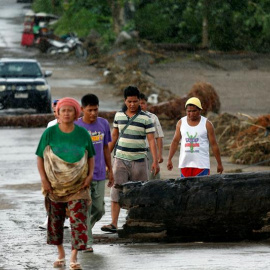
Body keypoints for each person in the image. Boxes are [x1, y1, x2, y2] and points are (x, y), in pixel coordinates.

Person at [35, 97, 95, 269]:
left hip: (79, 186)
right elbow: (40, 157)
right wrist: (44, 180)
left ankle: (74, 257)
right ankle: (61, 253)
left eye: (70, 110)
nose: (67, 113)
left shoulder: (83, 133)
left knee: (78, 220)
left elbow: (90, 156)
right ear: (58, 114)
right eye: (63, 110)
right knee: (55, 221)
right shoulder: (49, 133)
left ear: (76, 113)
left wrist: (90, 175)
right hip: (54, 186)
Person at [101, 86, 160, 233]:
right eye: (129, 101)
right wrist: (105, 158)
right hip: (120, 159)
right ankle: (114, 223)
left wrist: (155, 160)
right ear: (125, 101)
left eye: (135, 101)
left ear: (140, 101)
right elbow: (114, 137)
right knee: (116, 191)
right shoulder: (118, 116)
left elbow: (151, 140)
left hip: (140, 160)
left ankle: (137, 223)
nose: (132, 104)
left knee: (140, 192)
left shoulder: (146, 118)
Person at [74, 94, 114, 252]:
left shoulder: (103, 123)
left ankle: (81, 230)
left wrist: (110, 170)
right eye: (90, 110)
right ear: (82, 109)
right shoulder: (76, 127)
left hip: (99, 173)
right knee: (87, 208)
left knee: (99, 209)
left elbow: (106, 148)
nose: (93, 113)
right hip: (82, 176)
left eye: (96, 110)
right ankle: (87, 242)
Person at [167, 97, 223, 177]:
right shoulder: (181, 123)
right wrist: (169, 159)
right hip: (185, 164)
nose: (191, 114)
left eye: (194, 111)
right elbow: (175, 142)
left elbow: (214, 145)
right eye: (189, 111)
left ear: (200, 110)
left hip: (202, 165)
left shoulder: (207, 124)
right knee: (186, 189)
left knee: (201, 189)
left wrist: (219, 164)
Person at [39, 99, 71, 230]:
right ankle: (50, 217)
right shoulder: (51, 125)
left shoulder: (73, 125)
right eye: (54, 111)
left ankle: (63, 217)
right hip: (52, 164)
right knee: (50, 192)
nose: (56, 114)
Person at [139, 93, 164, 179]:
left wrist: (159, 155)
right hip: (136, 151)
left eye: (143, 103)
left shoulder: (153, 118)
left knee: (153, 175)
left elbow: (159, 136)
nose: (141, 105)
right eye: (138, 103)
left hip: (149, 150)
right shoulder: (130, 118)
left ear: (147, 104)